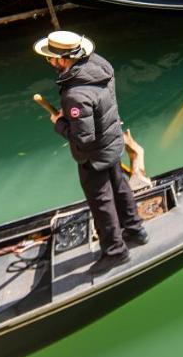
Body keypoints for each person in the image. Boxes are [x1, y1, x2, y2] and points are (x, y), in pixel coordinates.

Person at [35, 30, 147, 277]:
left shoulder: (75, 95)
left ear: (63, 59)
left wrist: (59, 123)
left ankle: (116, 251)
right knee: (119, 186)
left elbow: (83, 139)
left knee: (101, 202)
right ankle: (135, 230)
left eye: (51, 59)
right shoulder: (99, 64)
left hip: (94, 156)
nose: (50, 63)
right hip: (112, 141)